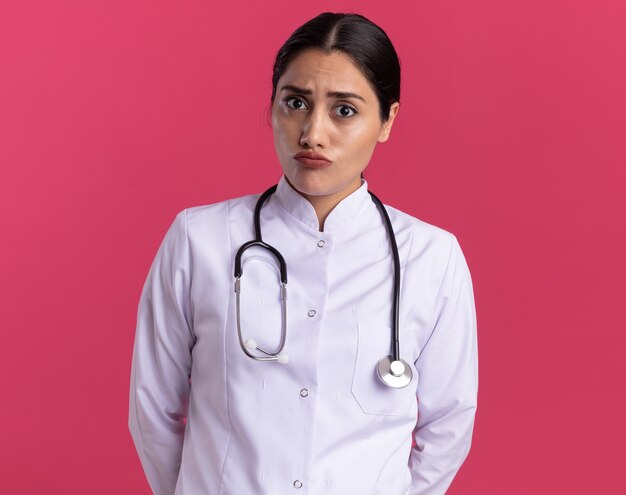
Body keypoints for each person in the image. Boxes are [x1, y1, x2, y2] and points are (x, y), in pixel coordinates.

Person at [129, 12, 478, 495]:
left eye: (344, 110)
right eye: (296, 102)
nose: (312, 133)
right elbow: (153, 408)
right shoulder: (199, 240)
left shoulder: (432, 259)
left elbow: (448, 424)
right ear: (272, 106)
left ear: (387, 120)